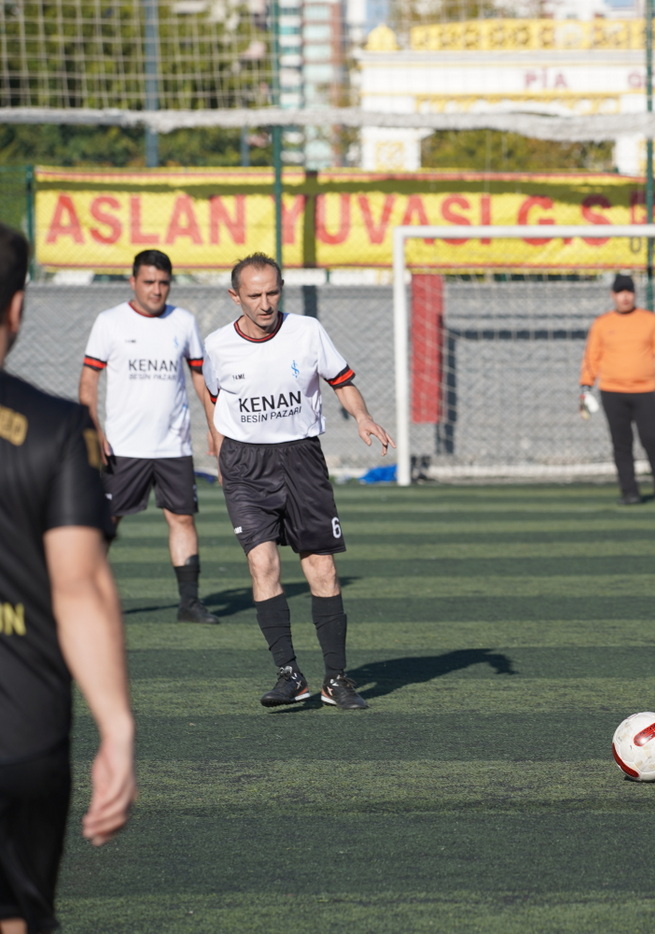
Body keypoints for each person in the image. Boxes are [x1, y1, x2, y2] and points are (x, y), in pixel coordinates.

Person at [0, 223, 136, 933]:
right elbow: (80, 588)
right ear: (17, 307)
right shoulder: (57, 428)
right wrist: (117, 729)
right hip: (21, 734)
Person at [201, 253, 393, 710]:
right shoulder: (217, 345)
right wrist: (219, 442)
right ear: (235, 297)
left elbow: (341, 381)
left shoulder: (308, 331)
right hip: (245, 465)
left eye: (272, 292)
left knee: (321, 567)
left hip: (302, 458)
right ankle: (289, 674)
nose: (265, 303)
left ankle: (336, 680)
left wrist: (362, 415)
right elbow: (213, 395)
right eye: (254, 295)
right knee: (262, 564)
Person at [79, 249, 219, 624]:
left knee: (183, 519)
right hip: (123, 446)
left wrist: (214, 427)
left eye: (163, 283)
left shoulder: (183, 321)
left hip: (174, 445)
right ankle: (83, 598)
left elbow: (200, 379)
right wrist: (93, 428)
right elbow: (89, 380)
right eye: (149, 282)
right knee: (107, 522)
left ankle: (189, 603)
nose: (156, 290)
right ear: (133, 282)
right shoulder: (110, 322)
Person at [579, 273, 655, 506]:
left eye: (629, 292)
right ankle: (629, 492)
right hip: (612, 392)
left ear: (634, 294)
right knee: (621, 443)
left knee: (652, 440)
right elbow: (592, 357)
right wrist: (585, 388)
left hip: (645, 391)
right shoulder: (602, 323)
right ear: (612, 295)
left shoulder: (650, 320)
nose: (625, 297)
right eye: (620, 292)